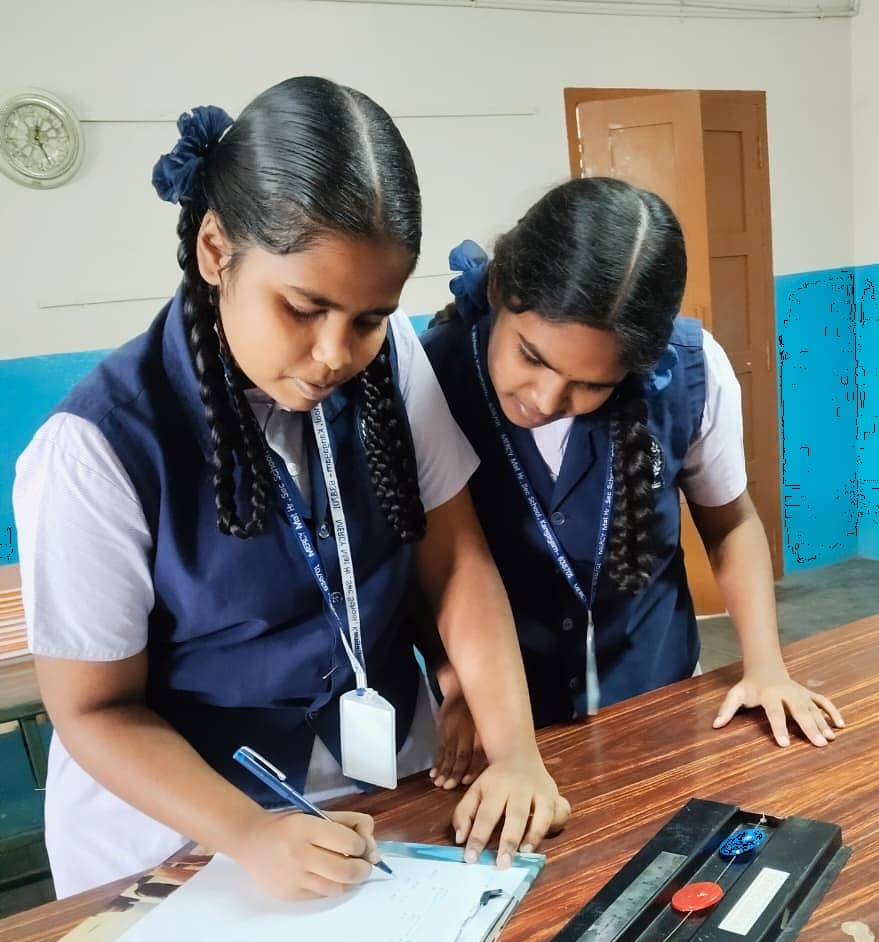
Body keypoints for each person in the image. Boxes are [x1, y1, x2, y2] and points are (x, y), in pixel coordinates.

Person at [13, 77, 569, 900]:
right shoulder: (94, 448)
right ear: (215, 249)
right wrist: (248, 831)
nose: (334, 354)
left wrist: (515, 749)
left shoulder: (389, 360)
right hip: (184, 821)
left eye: (369, 317)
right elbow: (93, 711)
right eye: (303, 307)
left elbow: (455, 562)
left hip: (377, 783)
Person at [421, 176, 843, 789]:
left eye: (590, 385)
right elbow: (426, 565)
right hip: (503, 727)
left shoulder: (692, 371)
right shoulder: (427, 378)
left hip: (657, 698)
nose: (546, 399)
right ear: (497, 291)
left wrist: (766, 667)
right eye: (532, 357)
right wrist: (457, 680)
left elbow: (731, 523)